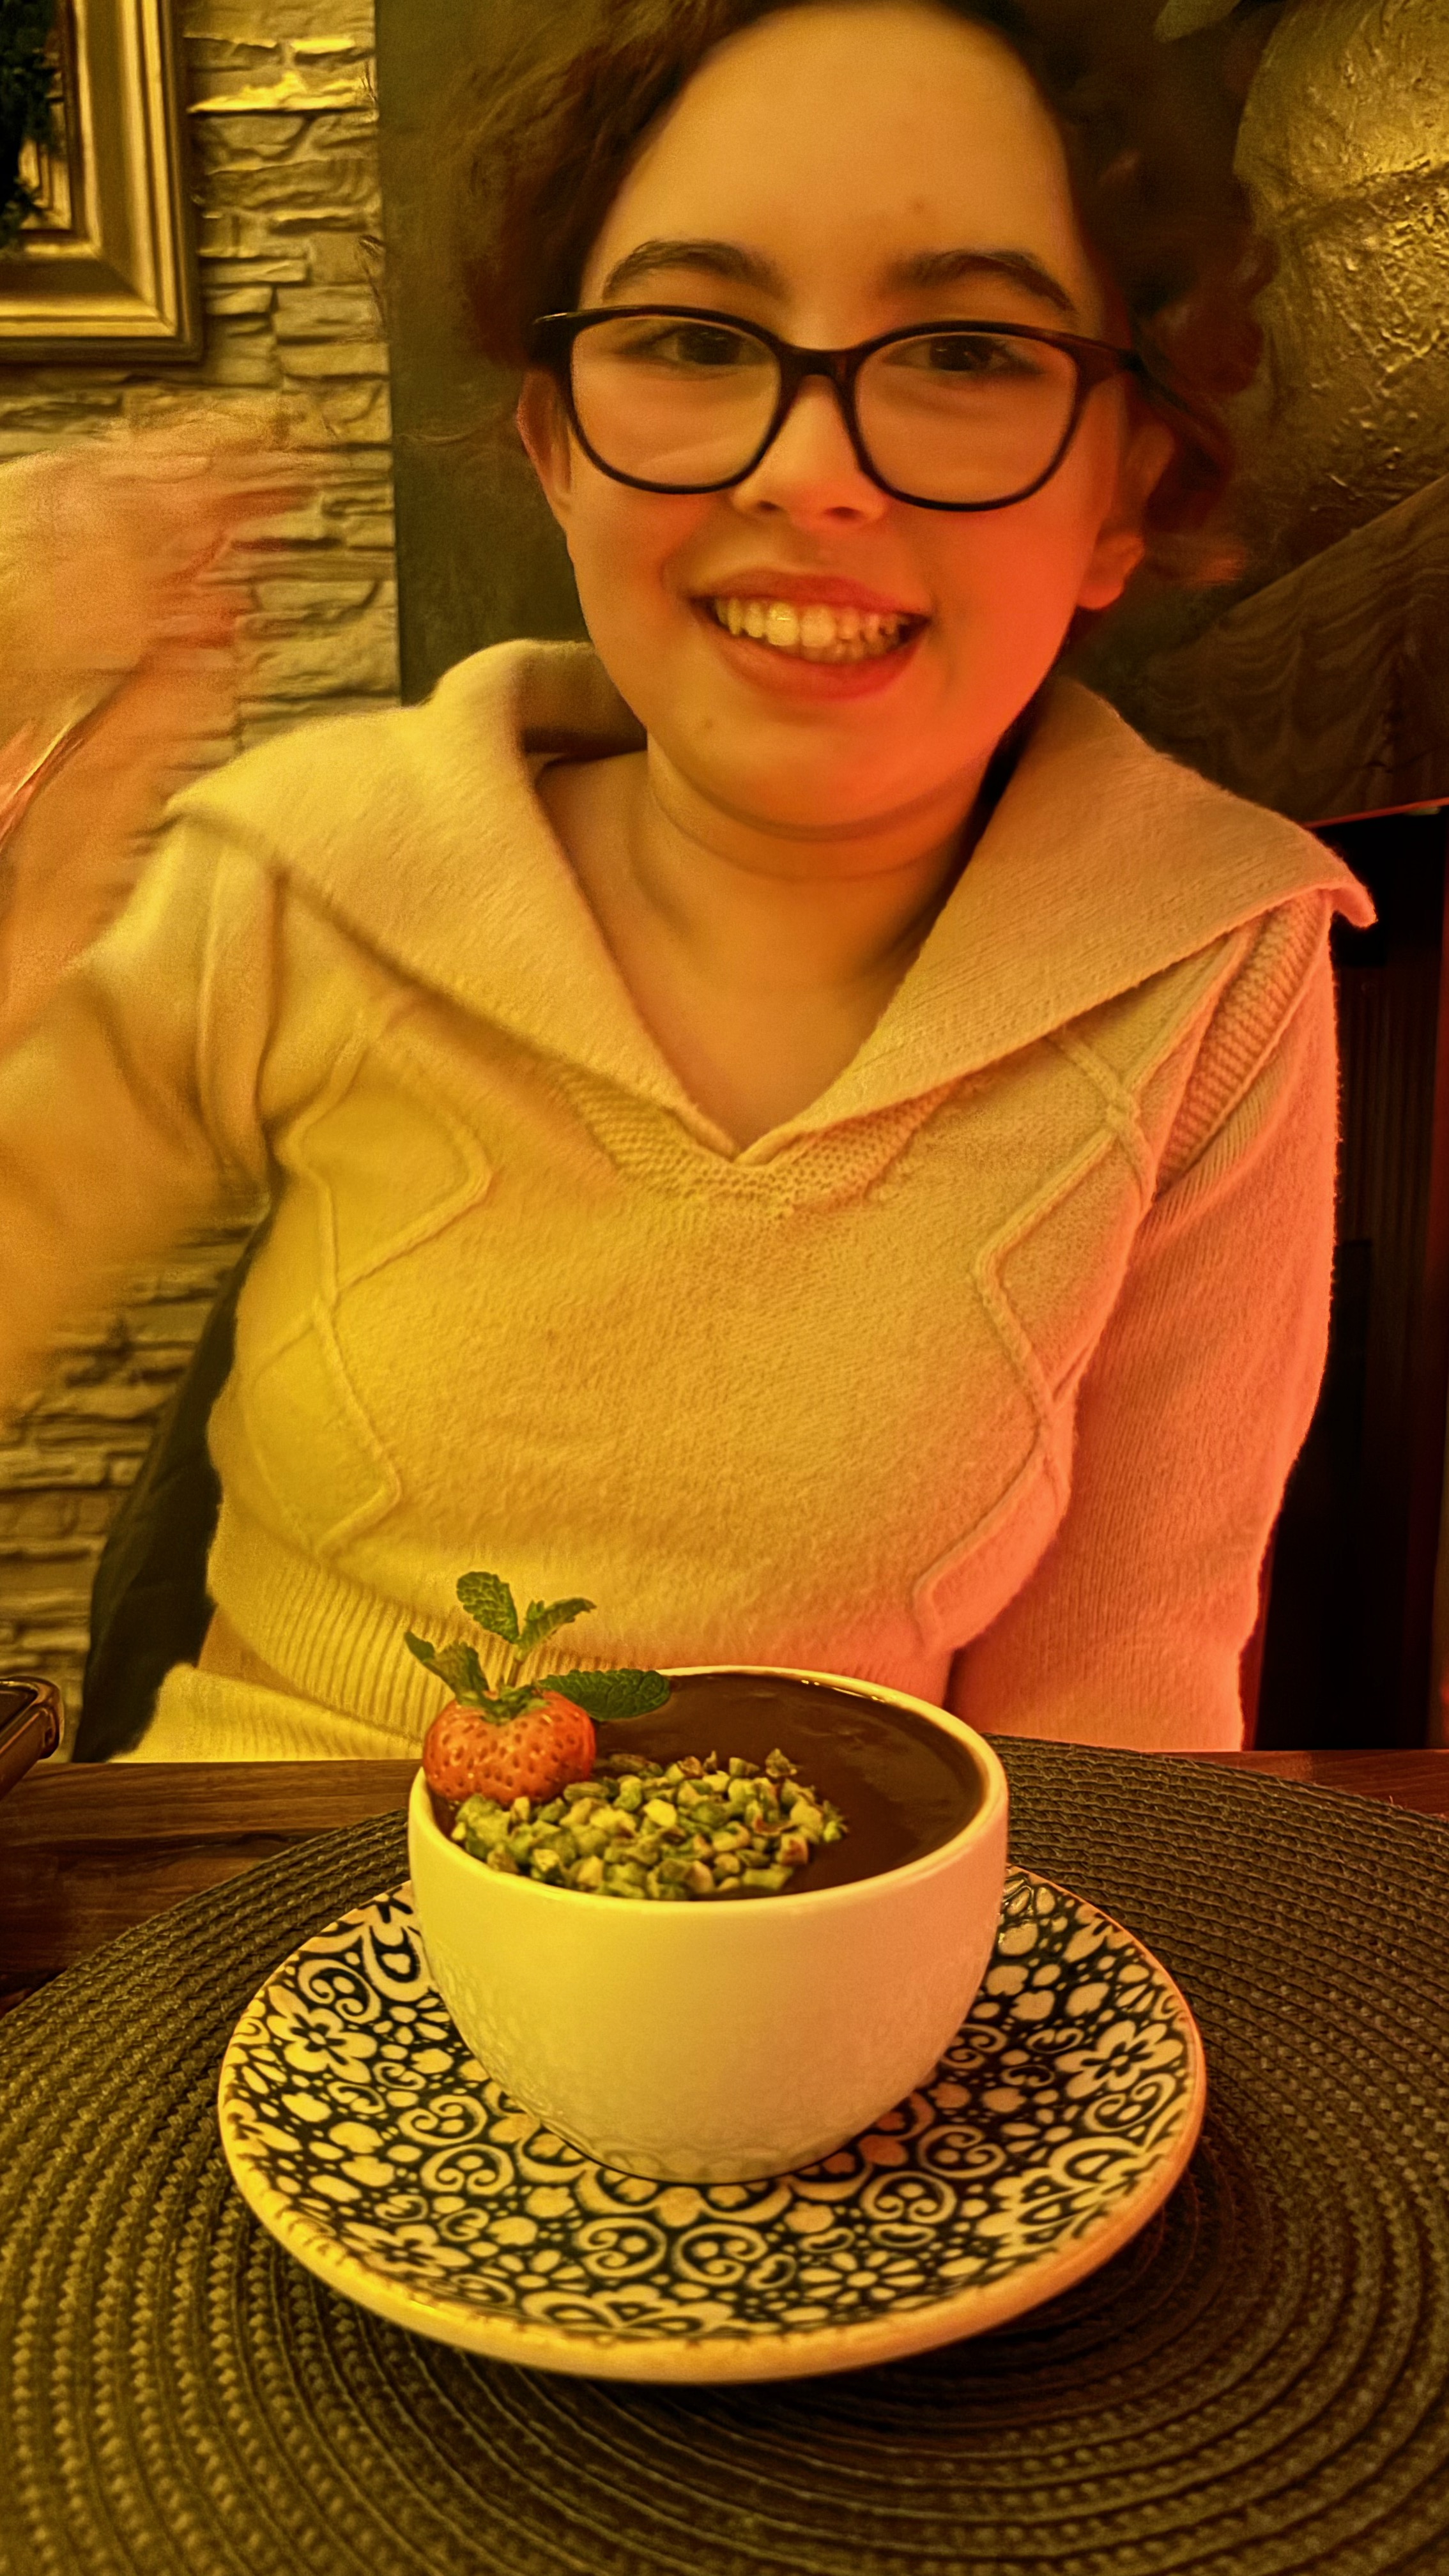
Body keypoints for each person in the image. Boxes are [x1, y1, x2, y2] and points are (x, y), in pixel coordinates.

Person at [0, 0, 1374, 1761]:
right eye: (694, 338)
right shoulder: (311, 865)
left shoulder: (1209, 961)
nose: (809, 473)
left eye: (965, 354)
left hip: (843, 1898)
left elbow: (1117, 1717)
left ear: (1127, 487)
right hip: (264, 1883)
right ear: (555, 445)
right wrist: (36, 863)